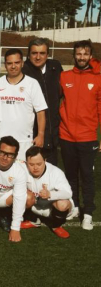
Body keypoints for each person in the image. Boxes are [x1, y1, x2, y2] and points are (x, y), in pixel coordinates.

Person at [59, 40, 101, 230]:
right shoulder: (64, 76)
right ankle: (74, 206)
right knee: (70, 175)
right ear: (73, 55)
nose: (81, 57)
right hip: (66, 135)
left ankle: (88, 213)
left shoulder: (98, 77)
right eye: (78, 54)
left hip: (87, 137)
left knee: (87, 176)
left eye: (85, 54)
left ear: (90, 56)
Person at [0, 49, 47, 160]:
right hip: (0, 139)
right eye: (9, 63)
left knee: (22, 174)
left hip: (24, 140)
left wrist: (40, 134)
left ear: (22, 63)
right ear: (5, 65)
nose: (13, 66)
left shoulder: (32, 84)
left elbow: (40, 112)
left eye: (17, 62)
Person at [22, 38, 63, 165]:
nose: (38, 57)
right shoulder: (22, 70)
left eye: (42, 53)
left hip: (52, 131)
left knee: (50, 172)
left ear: (48, 54)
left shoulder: (55, 67)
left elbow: (61, 93)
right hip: (29, 134)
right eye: (34, 53)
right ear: (28, 55)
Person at [20, 146, 73, 239]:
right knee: (22, 194)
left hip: (52, 208)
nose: (35, 167)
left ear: (45, 160)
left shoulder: (55, 172)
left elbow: (68, 193)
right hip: (34, 206)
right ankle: (33, 220)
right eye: (31, 164)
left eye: (39, 164)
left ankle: (56, 225)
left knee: (63, 203)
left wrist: (50, 194)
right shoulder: (21, 168)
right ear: (26, 162)